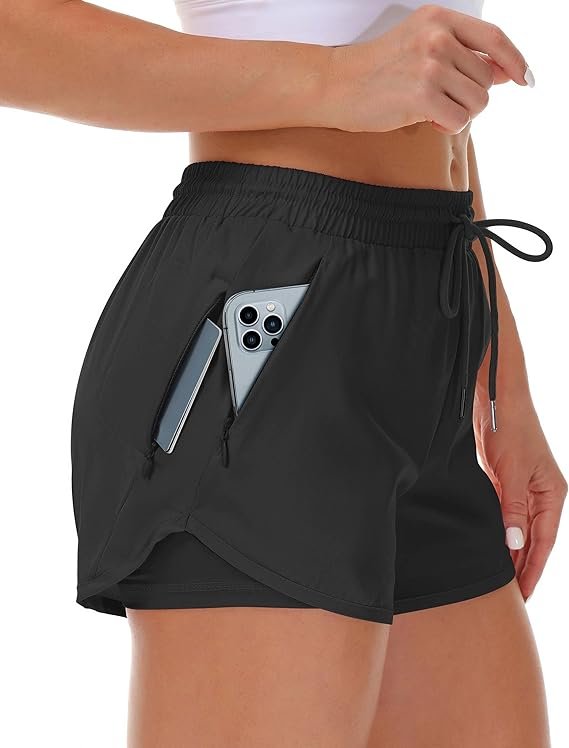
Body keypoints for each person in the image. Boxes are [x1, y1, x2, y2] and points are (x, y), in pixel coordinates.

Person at [2, 2, 566, 746]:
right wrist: (334, 79)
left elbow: (429, 102)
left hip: (430, 327)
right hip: (272, 322)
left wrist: (502, 387)